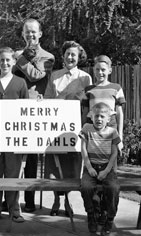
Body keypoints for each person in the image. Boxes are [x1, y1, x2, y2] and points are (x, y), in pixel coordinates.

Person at [44, 40, 92, 216]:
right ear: (63, 56)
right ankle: (57, 199)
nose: (70, 57)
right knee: (55, 165)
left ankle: (69, 200)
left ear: (79, 57)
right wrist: (64, 98)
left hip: (75, 127)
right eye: (68, 54)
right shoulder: (55, 76)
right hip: (56, 127)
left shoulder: (85, 77)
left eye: (74, 54)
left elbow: (88, 105)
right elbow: (48, 101)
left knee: (72, 164)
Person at [13, 18, 55, 213]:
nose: (30, 35)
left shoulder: (48, 57)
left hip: (34, 111)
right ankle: (11, 199)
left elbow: (36, 76)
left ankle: (29, 200)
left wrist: (20, 59)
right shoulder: (15, 55)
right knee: (12, 157)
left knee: (30, 159)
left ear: (40, 34)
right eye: (27, 32)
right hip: (15, 109)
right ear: (23, 34)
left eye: (34, 32)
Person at [0, 47, 29, 222]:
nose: (5, 63)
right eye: (1, 60)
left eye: (8, 60)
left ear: (13, 62)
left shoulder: (20, 83)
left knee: (13, 172)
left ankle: (14, 209)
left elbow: (26, 110)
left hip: (14, 133)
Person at [79, 102, 121, 236]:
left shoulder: (112, 132)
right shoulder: (86, 128)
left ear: (108, 119)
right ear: (91, 117)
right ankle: (91, 214)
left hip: (106, 168)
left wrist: (107, 170)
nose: (99, 119)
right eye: (96, 116)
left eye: (102, 116)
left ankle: (109, 219)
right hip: (91, 166)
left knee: (113, 188)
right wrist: (89, 167)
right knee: (86, 187)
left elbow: (114, 153)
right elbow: (83, 149)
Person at [82, 55, 126, 156]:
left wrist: (120, 137)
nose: (100, 72)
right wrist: (83, 132)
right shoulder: (88, 90)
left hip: (110, 131)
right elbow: (85, 113)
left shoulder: (116, 88)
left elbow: (119, 113)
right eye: (97, 69)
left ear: (109, 70)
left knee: (110, 163)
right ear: (94, 70)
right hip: (92, 132)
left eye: (103, 70)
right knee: (92, 161)